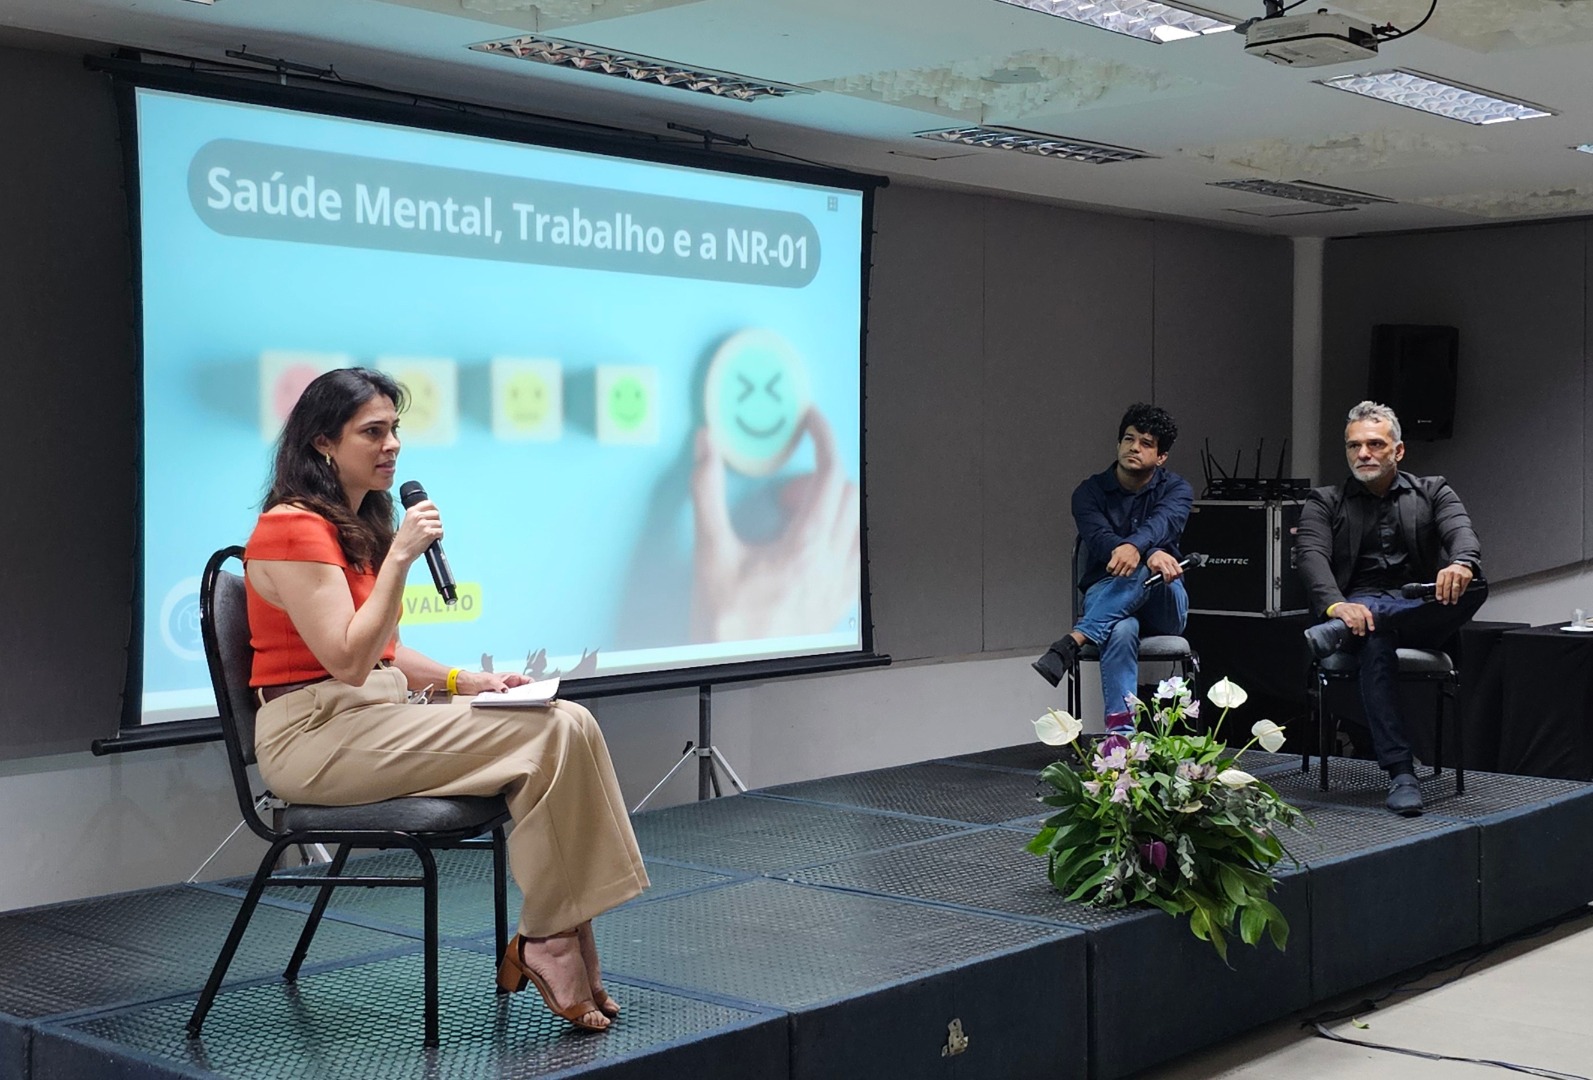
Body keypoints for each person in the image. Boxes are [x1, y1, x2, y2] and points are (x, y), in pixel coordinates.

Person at [244, 367, 648, 1032]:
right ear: (322, 442)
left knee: (570, 719)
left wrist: (467, 682)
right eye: (372, 432)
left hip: (373, 717)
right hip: (313, 738)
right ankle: (552, 940)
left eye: (395, 429)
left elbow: (386, 653)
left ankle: (564, 928)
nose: (392, 445)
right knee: (547, 734)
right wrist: (401, 559)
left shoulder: (353, 524)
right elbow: (347, 659)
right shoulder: (293, 527)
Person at [1296, 400, 1485, 816]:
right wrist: (1336, 608)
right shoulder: (1324, 501)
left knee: (1476, 583)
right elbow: (1310, 557)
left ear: (1398, 451)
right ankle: (1402, 773)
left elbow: (1461, 532)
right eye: (1354, 446)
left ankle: (1376, 618)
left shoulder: (1434, 490)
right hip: (1354, 614)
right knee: (1374, 634)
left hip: (1419, 610)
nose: (1363, 454)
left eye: (1375, 444)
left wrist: (1461, 563)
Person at [1033, 403, 1192, 733]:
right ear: (1119, 443)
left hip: (1163, 602)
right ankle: (1121, 741)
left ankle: (1074, 640)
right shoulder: (1088, 492)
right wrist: (1148, 552)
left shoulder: (1177, 490)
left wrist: (1143, 551)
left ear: (1161, 457)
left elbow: (1163, 523)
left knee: (1149, 569)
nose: (1134, 447)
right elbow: (1100, 540)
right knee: (1120, 629)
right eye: (1129, 439)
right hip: (1108, 592)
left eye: (1146, 443)